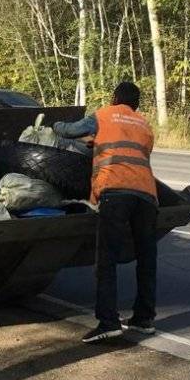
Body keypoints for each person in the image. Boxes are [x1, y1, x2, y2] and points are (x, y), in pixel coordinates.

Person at [53, 80, 159, 343]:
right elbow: (130, 149)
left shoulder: (103, 115)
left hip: (115, 192)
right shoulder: (145, 125)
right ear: (136, 104)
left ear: (114, 98)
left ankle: (108, 322)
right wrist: (97, 143)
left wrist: (52, 124)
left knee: (107, 260)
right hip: (146, 196)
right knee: (147, 260)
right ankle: (144, 319)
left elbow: (69, 131)